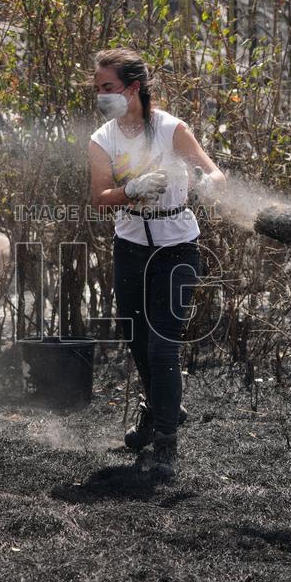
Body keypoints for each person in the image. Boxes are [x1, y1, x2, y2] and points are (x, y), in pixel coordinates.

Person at [88, 48, 225, 479]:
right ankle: (157, 410)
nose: (101, 96)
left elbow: (214, 172)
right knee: (138, 342)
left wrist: (209, 183)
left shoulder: (171, 129)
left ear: (133, 88)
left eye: (107, 88)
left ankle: (166, 441)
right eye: (97, 89)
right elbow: (100, 198)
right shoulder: (102, 139)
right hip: (129, 247)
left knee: (163, 345)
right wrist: (132, 191)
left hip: (176, 247)